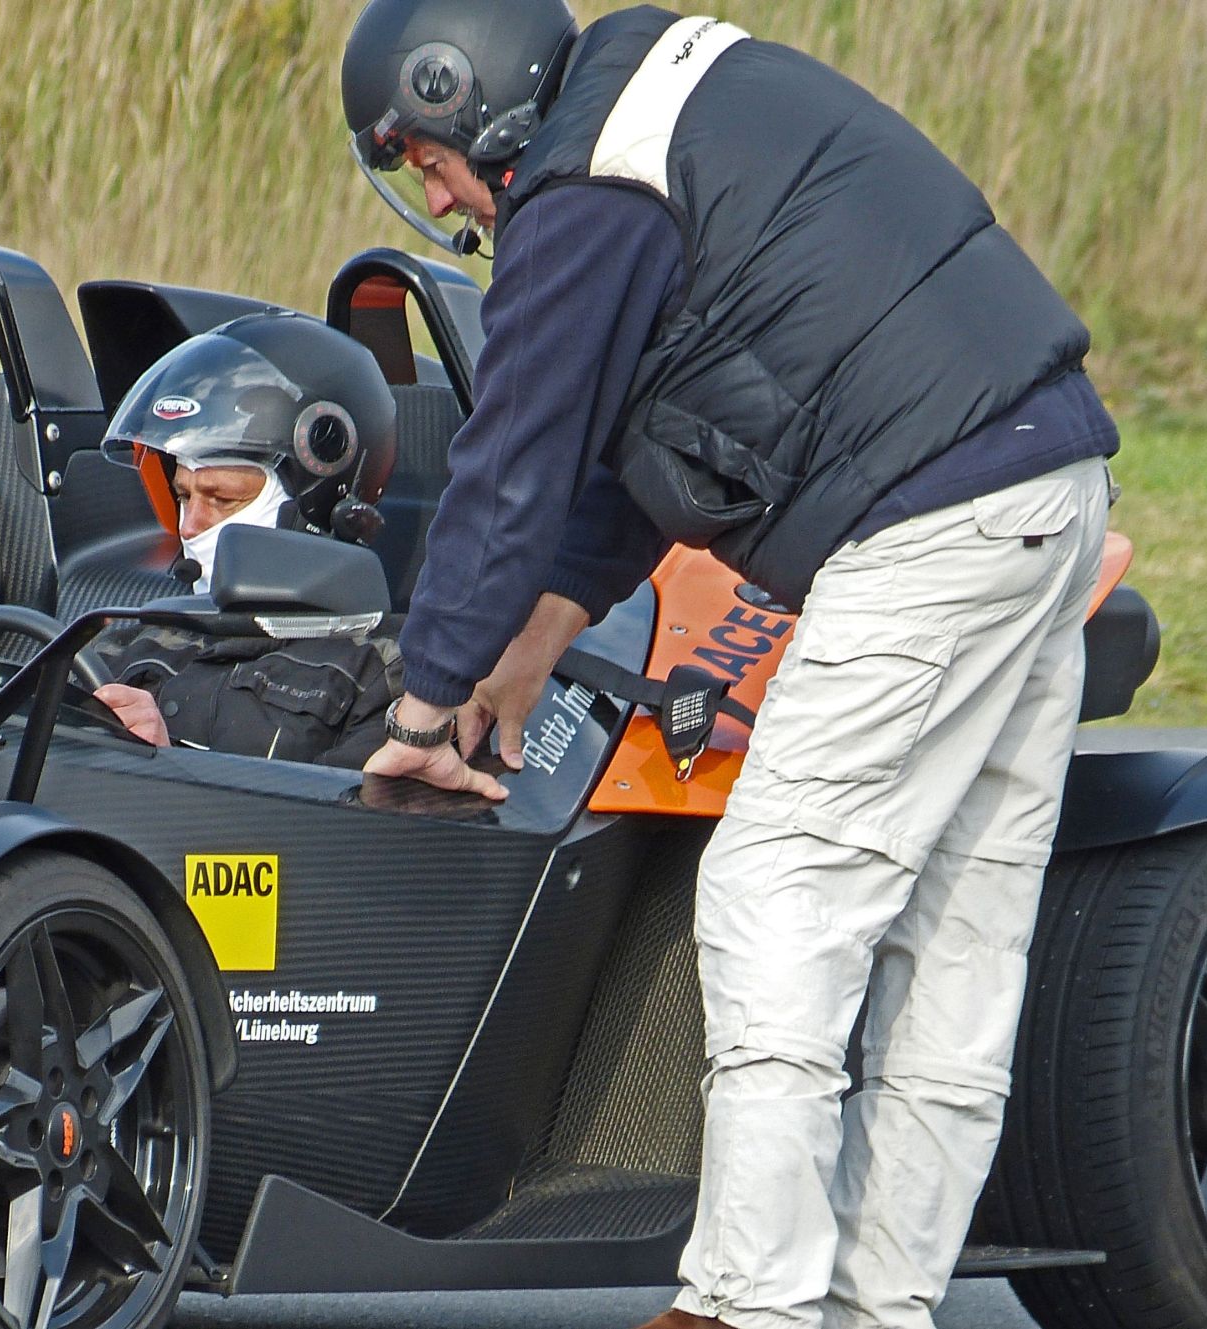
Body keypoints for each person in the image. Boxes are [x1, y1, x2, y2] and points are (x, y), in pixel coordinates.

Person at [341, 4, 1119, 1329]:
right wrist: (524, 653)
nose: (439, 195)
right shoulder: (655, 118)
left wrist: (420, 707)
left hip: (928, 515)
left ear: (474, 100)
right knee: (954, 940)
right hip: (1045, 485)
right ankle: (875, 1309)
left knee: (776, 893)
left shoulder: (585, 194)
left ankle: (746, 1305)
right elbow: (643, 455)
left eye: (428, 157)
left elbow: (513, 462)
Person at [92, 311, 403, 769]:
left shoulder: (385, 677)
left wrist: (168, 765)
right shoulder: (130, 644)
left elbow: (336, 814)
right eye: (183, 496)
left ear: (317, 503)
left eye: (222, 498)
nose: (189, 526)